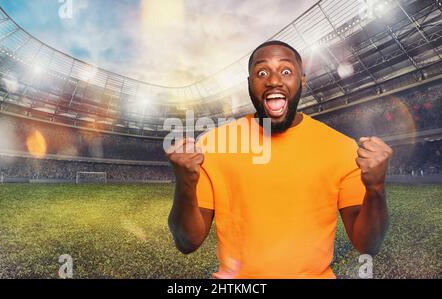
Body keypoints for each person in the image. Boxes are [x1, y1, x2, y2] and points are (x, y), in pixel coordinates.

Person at [166, 40, 392, 279]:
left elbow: (368, 245)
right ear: (250, 84)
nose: (274, 80)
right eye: (262, 72)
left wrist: (376, 189)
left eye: (286, 71)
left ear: (302, 80)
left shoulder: (342, 148)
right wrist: (185, 185)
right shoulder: (212, 145)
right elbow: (186, 242)